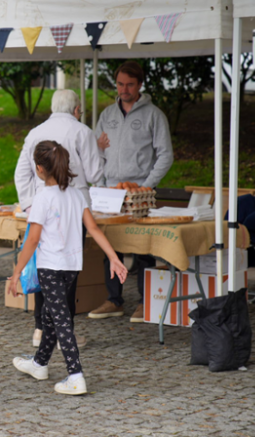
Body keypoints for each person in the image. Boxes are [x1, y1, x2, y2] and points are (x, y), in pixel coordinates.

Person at [8, 140, 127, 395]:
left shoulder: (42, 198)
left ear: (39, 169)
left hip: (50, 267)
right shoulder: (77, 194)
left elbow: (32, 240)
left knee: (61, 319)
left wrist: (17, 271)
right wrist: (114, 257)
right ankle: (39, 363)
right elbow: (93, 229)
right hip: (72, 267)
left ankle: (75, 375)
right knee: (54, 315)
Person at [14, 89, 102, 349]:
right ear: (76, 109)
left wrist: (31, 206)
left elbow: (21, 174)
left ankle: (40, 329)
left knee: (46, 269)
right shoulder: (82, 132)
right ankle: (67, 333)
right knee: (68, 271)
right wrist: (102, 152)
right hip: (74, 208)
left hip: (42, 208)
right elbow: (96, 173)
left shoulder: (34, 133)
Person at [90, 61, 174, 323]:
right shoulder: (107, 115)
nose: (123, 89)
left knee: (143, 247)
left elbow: (166, 155)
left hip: (140, 191)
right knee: (109, 245)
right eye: (120, 84)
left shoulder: (154, 115)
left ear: (140, 85)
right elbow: (96, 150)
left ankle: (144, 303)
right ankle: (114, 300)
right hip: (110, 190)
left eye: (129, 84)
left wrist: (147, 185)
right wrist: (101, 181)